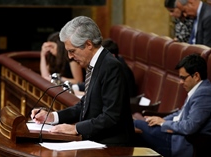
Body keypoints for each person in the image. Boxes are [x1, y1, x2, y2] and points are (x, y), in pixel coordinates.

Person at [31, 16, 135, 146]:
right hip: (96, 140)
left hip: (112, 146)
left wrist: (75, 128)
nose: (69, 56)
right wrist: (53, 117)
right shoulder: (96, 64)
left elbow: (112, 116)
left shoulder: (110, 66)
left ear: (88, 44)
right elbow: (85, 105)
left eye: (72, 51)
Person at [134, 53, 211, 157]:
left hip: (182, 143)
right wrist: (159, 120)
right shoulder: (199, 89)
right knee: (136, 130)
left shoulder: (204, 93)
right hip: (176, 136)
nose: (180, 82)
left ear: (196, 76)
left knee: (135, 126)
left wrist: (163, 123)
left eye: (183, 78)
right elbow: (180, 114)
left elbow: (190, 127)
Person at [73, 38, 137, 98]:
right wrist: (75, 87)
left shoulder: (118, 71)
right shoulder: (109, 64)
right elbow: (94, 82)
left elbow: (106, 94)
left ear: (112, 56)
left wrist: (84, 94)